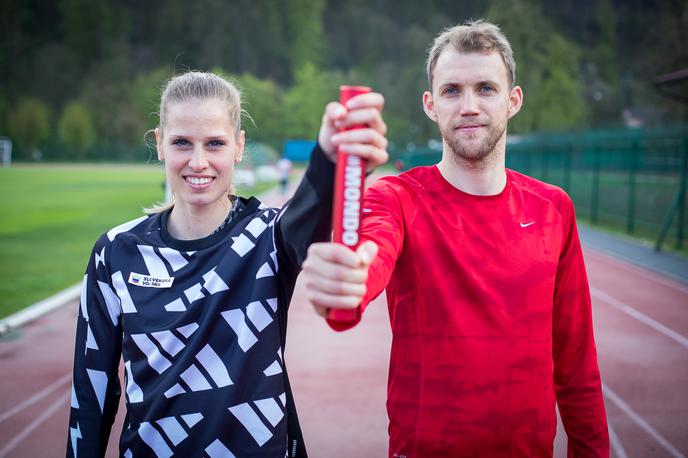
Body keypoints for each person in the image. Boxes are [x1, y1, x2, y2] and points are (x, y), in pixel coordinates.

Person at [301, 20, 609, 456]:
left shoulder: (553, 208)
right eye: (451, 91)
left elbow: (577, 360)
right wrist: (346, 280)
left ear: (512, 100)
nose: (468, 106)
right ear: (430, 105)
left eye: (485, 88)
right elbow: (364, 269)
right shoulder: (396, 198)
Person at [67, 71, 387, 457]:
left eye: (215, 143)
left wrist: (331, 153)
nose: (198, 162)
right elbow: (91, 392)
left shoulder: (267, 237)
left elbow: (310, 208)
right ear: (160, 144)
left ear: (238, 147)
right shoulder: (116, 252)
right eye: (182, 142)